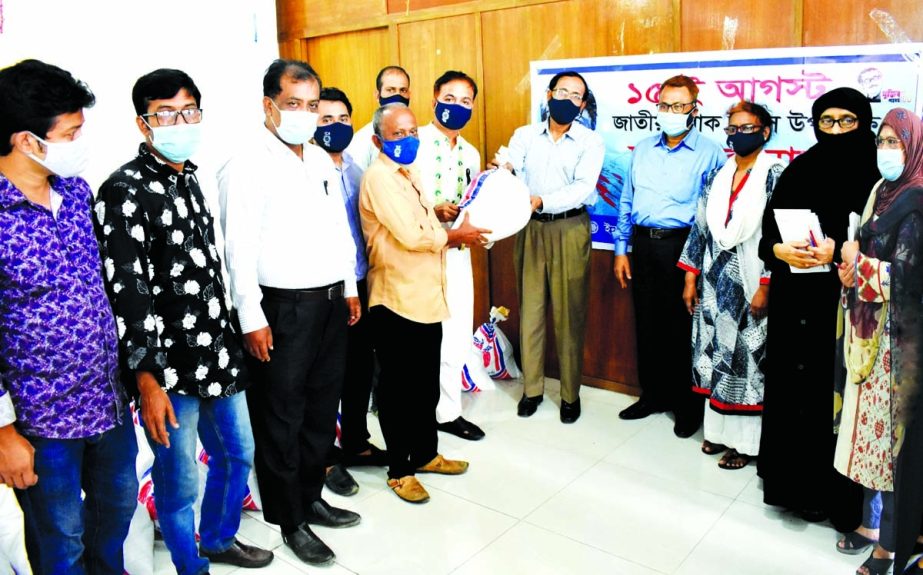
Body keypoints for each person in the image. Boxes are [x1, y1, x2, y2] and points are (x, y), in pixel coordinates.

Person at [95, 68, 273, 575]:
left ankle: (218, 538)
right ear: (143, 122)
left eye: (189, 111)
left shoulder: (191, 176)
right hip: (168, 369)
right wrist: (146, 378)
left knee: (239, 453)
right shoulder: (121, 190)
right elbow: (126, 291)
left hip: (218, 351)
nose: (181, 121)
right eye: (167, 113)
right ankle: (189, 565)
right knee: (179, 482)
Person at [218, 59, 360, 567]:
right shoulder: (247, 165)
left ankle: (311, 495)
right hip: (281, 309)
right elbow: (238, 248)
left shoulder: (321, 160)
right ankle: (288, 518)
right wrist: (251, 317)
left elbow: (337, 229)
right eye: (292, 104)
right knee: (281, 417)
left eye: (310, 105)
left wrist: (347, 285)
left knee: (321, 410)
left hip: (328, 303)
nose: (303, 114)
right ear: (269, 106)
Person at [0, 59, 137, 575]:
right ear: (27, 141)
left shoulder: (76, 193)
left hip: (107, 402)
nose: (81, 143)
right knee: (61, 542)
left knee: (115, 518)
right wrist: (4, 434)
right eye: (71, 133)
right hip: (42, 421)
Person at [756, 87, 877, 528]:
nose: (837, 129)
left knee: (834, 396)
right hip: (795, 301)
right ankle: (790, 486)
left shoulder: (878, 177)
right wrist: (779, 251)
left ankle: (832, 496)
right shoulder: (800, 167)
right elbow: (769, 230)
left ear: (864, 122)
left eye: (848, 120)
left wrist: (840, 256)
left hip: (846, 307)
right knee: (794, 389)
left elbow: (884, 244)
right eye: (827, 121)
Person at [360, 103, 487, 503]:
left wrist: (452, 230)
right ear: (379, 140)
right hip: (396, 298)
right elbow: (413, 237)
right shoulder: (379, 178)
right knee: (398, 393)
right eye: (398, 134)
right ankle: (400, 470)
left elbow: (427, 224)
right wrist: (456, 237)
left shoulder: (407, 174)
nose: (408, 139)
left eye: (412, 131)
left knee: (423, 385)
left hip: (426, 296)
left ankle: (427, 454)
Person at [834, 107, 923, 575]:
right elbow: (865, 251)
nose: (887, 150)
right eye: (882, 141)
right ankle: (872, 526)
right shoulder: (881, 191)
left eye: (897, 142)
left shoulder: (917, 198)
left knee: (893, 445)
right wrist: (850, 267)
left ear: (914, 148)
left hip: (900, 342)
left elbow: (908, 276)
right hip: (868, 332)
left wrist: (858, 262)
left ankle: (890, 544)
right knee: (869, 439)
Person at [614, 74, 726, 437]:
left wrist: (694, 266)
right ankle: (652, 396)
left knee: (683, 329)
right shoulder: (643, 149)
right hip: (644, 245)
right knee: (646, 323)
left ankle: (686, 406)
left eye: (680, 106)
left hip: (684, 247)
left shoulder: (710, 153)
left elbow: (712, 213)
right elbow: (626, 201)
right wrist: (621, 249)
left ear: (694, 109)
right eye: (665, 105)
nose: (671, 112)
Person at [678, 101, 783, 469]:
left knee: (745, 360)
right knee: (715, 357)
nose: (739, 134)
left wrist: (766, 286)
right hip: (712, 281)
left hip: (750, 280)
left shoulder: (775, 175)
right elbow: (700, 229)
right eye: (733, 129)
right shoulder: (717, 176)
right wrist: (690, 277)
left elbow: (778, 235)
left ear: (765, 131)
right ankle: (719, 433)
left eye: (747, 127)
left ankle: (745, 444)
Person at [500, 70, 604, 424]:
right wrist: (507, 174)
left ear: (582, 104)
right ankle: (532, 389)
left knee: (569, 313)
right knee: (530, 311)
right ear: (548, 95)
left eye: (576, 96)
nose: (568, 100)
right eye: (562, 92)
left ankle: (570, 395)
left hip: (570, 228)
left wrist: (541, 200)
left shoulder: (591, 142)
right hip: (528, 228)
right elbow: (512, 169)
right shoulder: (524, 135)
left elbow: (583, 187)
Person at [312, 87, 388, 497]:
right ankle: (324, 457)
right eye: (326, 120)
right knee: (327, 377)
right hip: (326, 289)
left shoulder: (358, 169)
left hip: (362, 282)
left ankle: (355, 442)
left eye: (343, 119)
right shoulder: (306, 171)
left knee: (360, 370)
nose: (335, 127)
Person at [415, 70, 485, 441]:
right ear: (434, 99)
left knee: (456, 333)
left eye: (465, 101)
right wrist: (433, 209)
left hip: (457, 252)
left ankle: (448, 411)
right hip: (418, 253)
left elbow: (474, 204)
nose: (456, 107)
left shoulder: (471, 153)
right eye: (450, 98)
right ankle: (417, 412)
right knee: (422, 337)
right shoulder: (415, 142)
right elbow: (400, 198)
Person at [344, 65, 411, 172]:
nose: (397, 96)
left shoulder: (415, 136)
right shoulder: (362, 140)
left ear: (409, 95)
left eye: (403, 90)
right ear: (377, 95)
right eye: (390, 90)